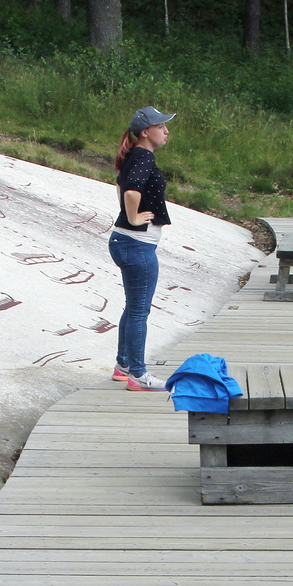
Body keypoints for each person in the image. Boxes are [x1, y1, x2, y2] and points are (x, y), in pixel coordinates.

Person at [109, 105, 175, 392]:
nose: (166, 131)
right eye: (161, 127)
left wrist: (127, 216)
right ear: (146, 132)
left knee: (133, 307)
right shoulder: (144, 156)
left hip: (123, 240)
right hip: (138, 244)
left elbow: (121, 186)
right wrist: (134, 217)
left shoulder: (133, 155)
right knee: (139, 311)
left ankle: (123, 365)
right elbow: (131, 189)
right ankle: (137, 374)